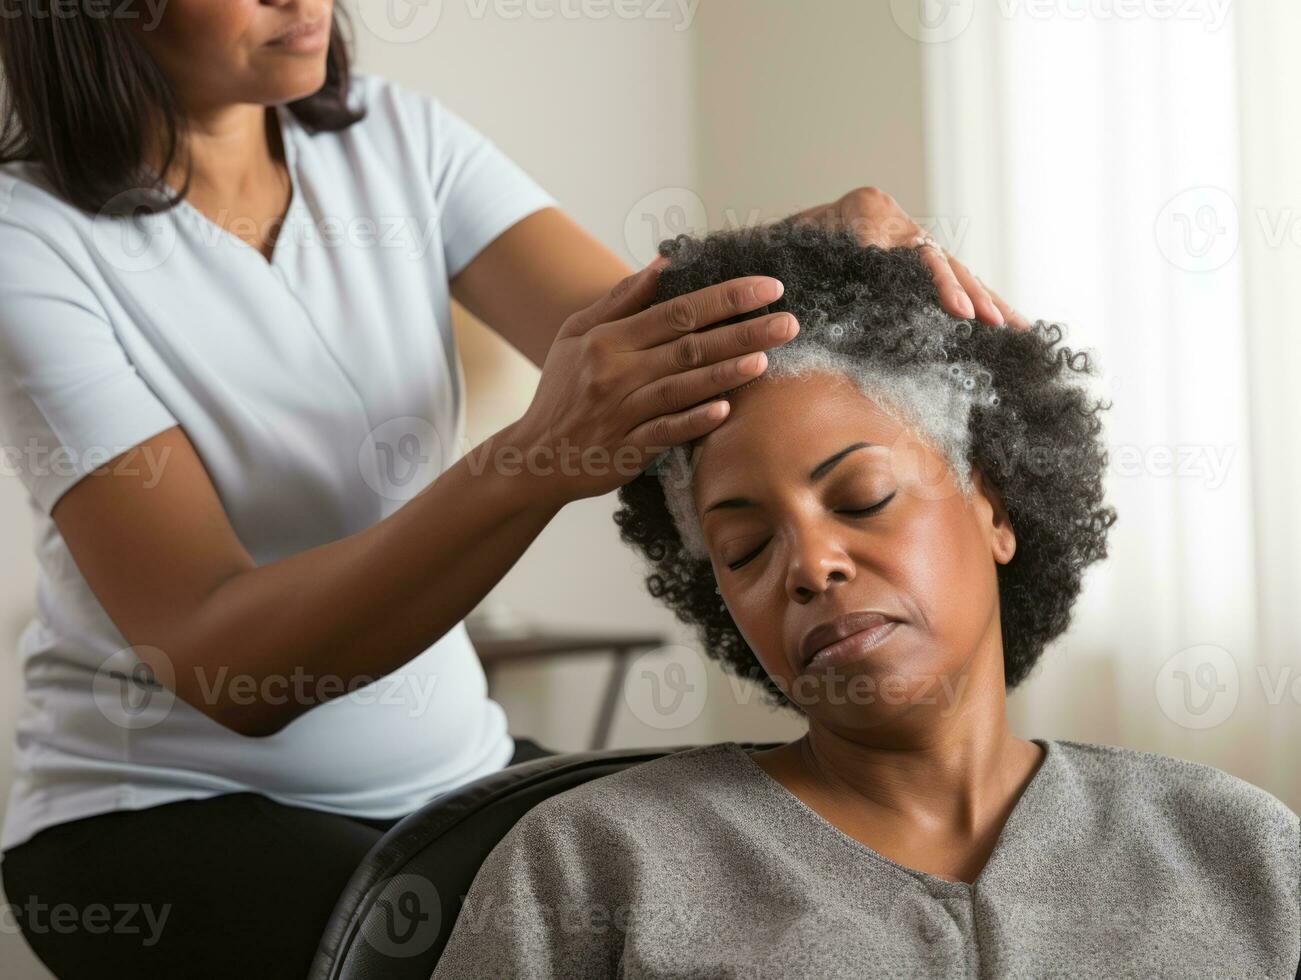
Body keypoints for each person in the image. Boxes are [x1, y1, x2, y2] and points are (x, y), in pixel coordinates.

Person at [0, 3, 1023, 977]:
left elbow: (651, 352)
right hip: (159, 814)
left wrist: (816, 248)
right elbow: (225, 660)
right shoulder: (29, 244)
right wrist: (535, 456)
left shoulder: (395, 139)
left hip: (454, 773)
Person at [428, 222, 1301, 979]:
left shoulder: (1237, 849)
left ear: (994, 507)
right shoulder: (593, 865)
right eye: (744, 548)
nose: (810, 566)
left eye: (861, 500)